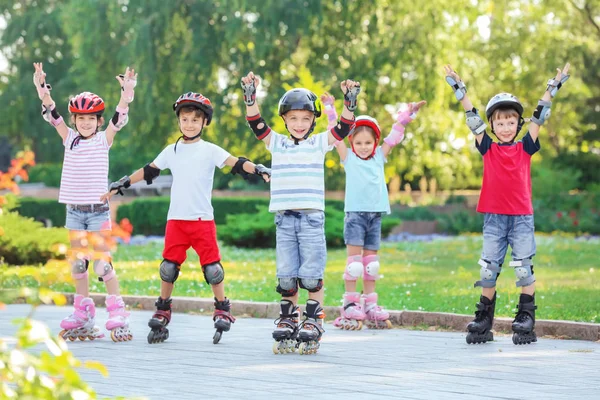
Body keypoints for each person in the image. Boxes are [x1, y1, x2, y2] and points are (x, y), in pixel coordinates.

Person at [102, 91, 270, 345]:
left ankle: (222, 307)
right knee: (168, 267)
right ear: (179, 121)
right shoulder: (172, 150)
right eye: (185, 119)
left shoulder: (210, 150)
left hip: (202, 220)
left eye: (195, 119)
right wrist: (123, 182)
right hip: (176, 221)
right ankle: (163, 308)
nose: (189, 124)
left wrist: (258, 168)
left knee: (213, 269)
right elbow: (150, 170)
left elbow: (236, 163)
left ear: (204, 123)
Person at [443, 62, 570, 345]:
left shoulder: (526, 146)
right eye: (499, 123)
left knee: (523, 268)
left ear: (517, 124)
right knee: (488, 269)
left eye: (510, 122)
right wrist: (459, 88)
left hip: (521, 217)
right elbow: (472, 117)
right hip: (494, 218)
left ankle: (526, 318)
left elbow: (539, 118)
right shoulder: (487, 147)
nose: (504, 127)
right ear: (492, 125)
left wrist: (552, 88)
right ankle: (484, 319)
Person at [240, 71, 360, 354]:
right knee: (286, 275)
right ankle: (288, 317)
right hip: (284, 219)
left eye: (305, 119)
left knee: (310, 274)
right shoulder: (277, 143)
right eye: (293, 118)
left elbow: (342, 129)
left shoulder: (318, 143)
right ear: (284, 120)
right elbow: (256, 124)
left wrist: (349, 103)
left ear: (313, 121)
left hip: (311, 218)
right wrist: (250, 95)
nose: (299, 124)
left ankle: (314, 319)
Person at [33, 62, 137, 342]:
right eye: (81, 118)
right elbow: (53, 115)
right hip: (74, 212)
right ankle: (83, 313)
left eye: (91, 118)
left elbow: (120, 115)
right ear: (75, 120)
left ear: (99, 121)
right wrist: (43, 90)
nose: (86, 122)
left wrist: (126, 93)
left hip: (97, 212)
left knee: (102, 265)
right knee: (79, 265)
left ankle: (117, 310)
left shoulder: (104, 140)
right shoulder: (69, 140)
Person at [323, 93, 425, 330]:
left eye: (368, 142)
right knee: (355, 263)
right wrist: (330, 107)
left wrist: (408, 114)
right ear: (352, 144)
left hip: (375, 215)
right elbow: (335, 133)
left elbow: (394, 136)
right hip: (355, 216)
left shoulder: (380, 155)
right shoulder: (347, 157)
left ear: (375, 142)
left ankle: (369, 304)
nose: (363, 146)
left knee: (371, 264)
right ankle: (350, 304)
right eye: (358, 143)